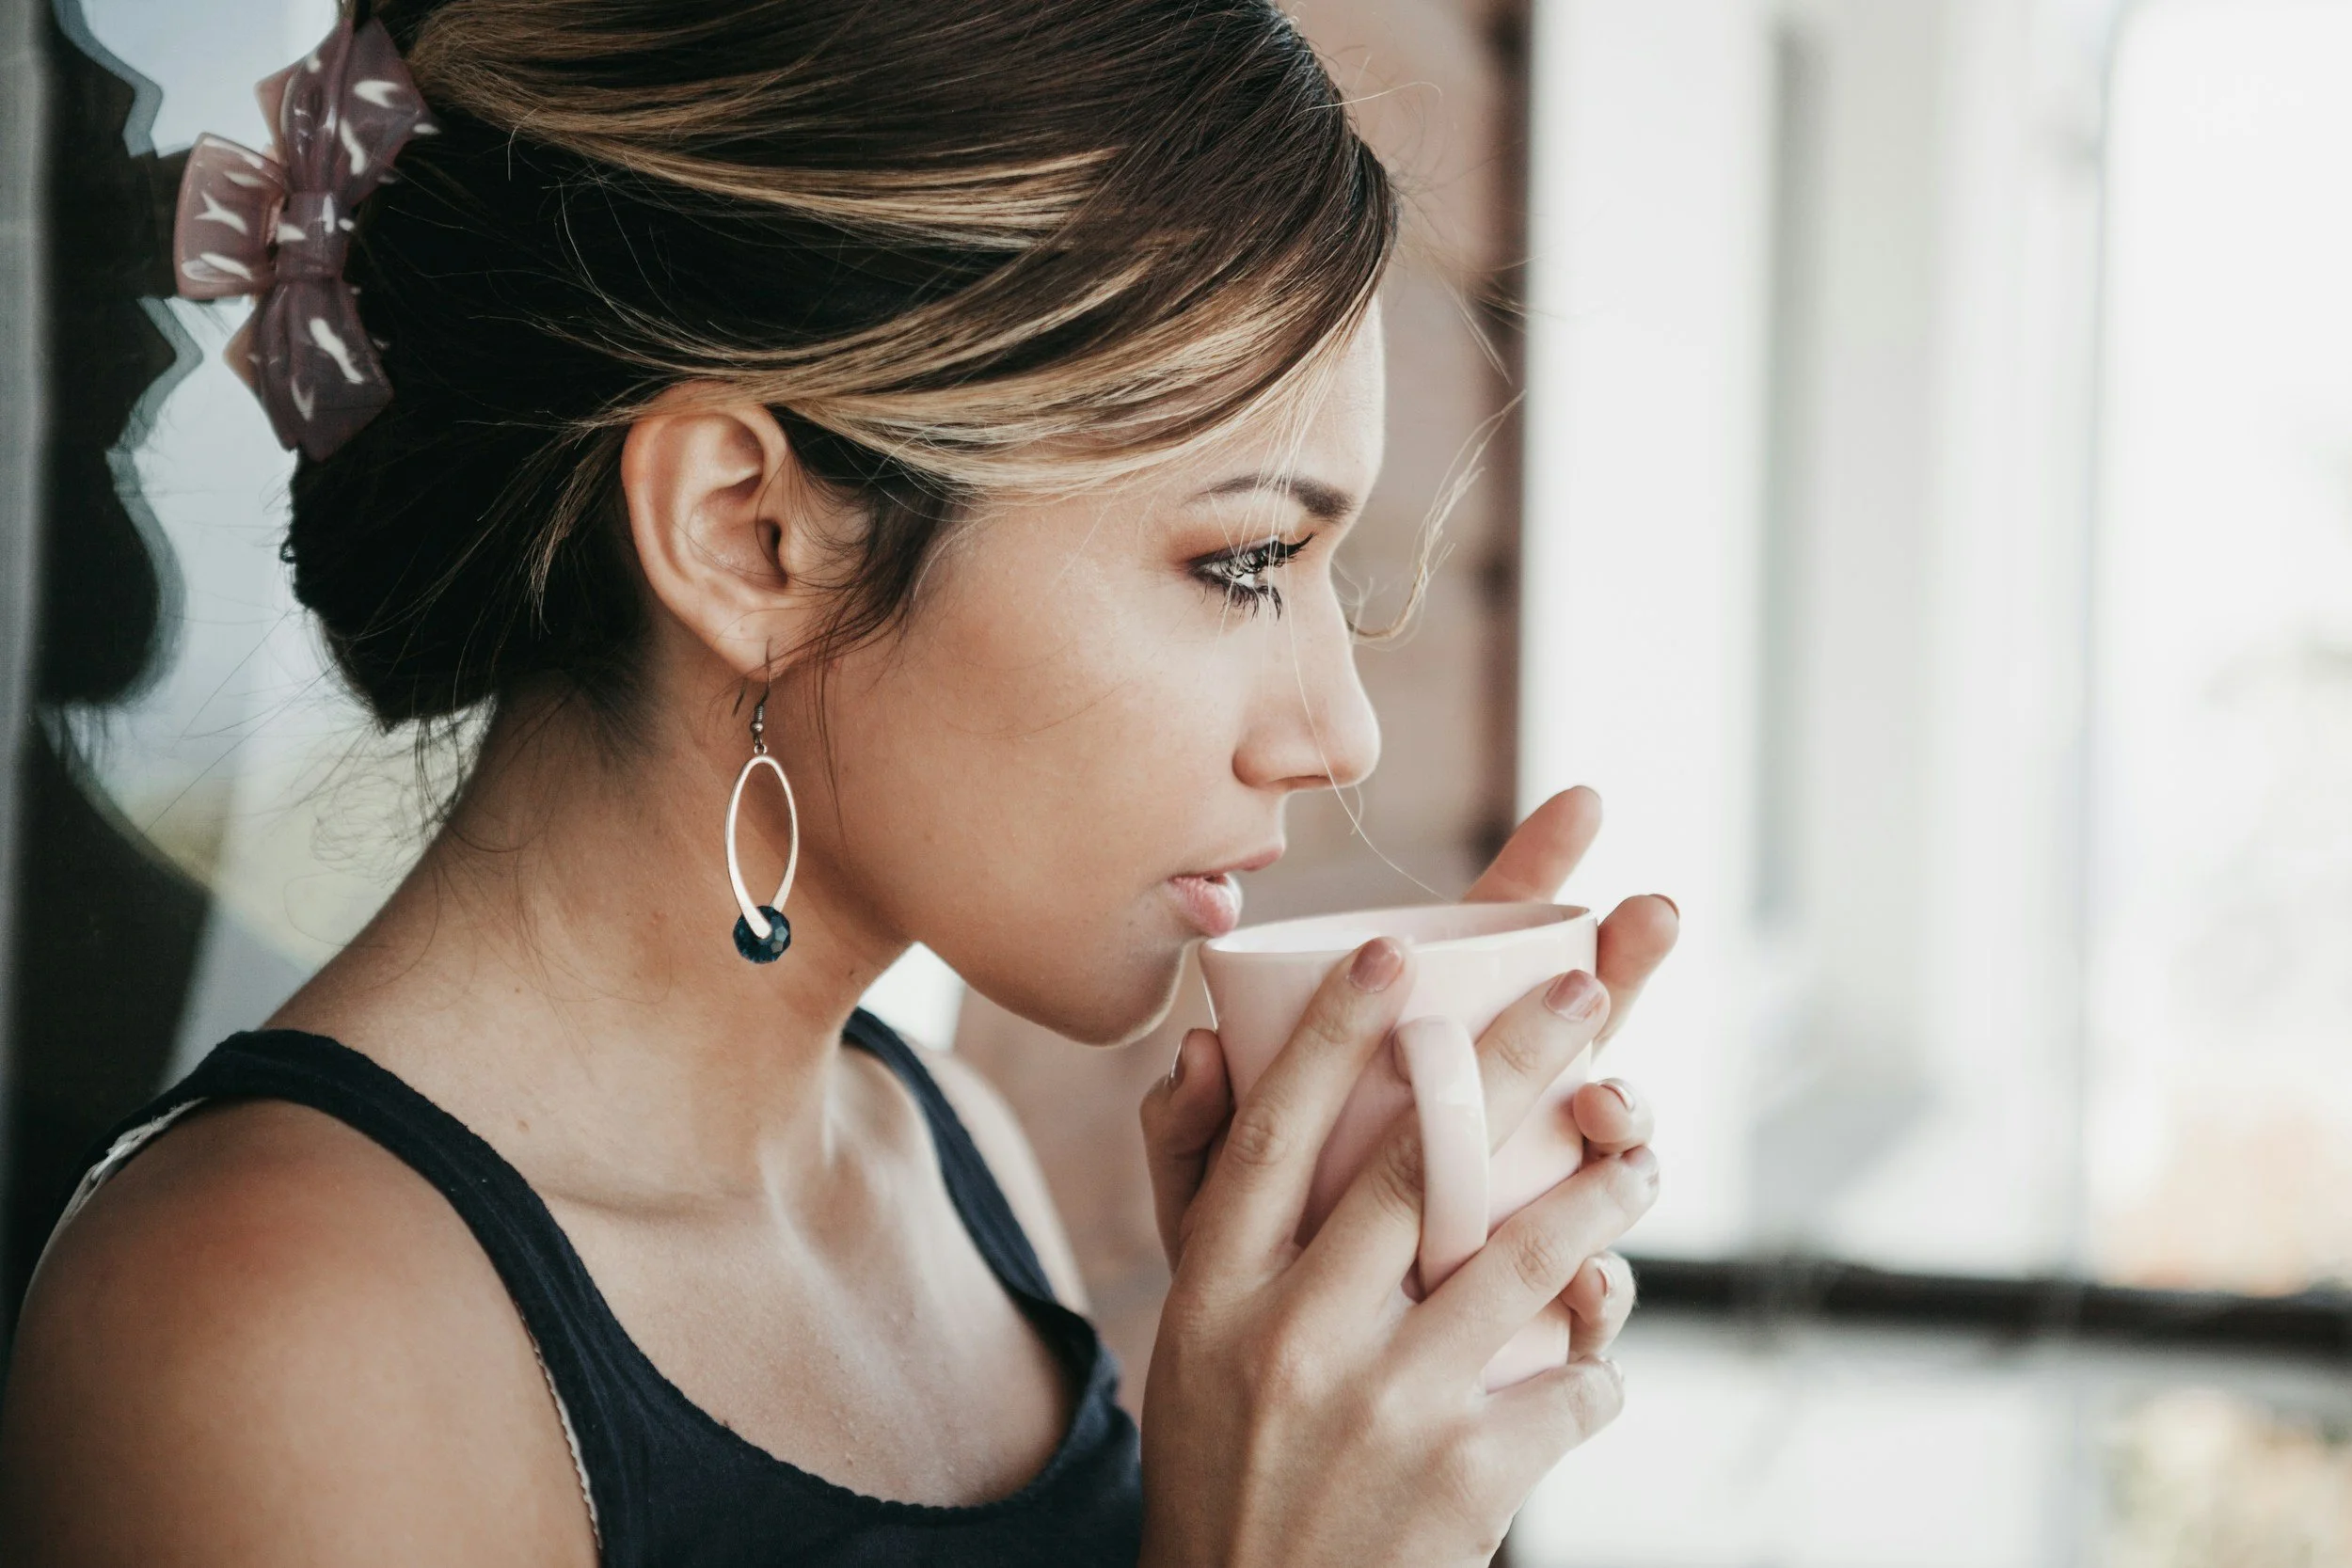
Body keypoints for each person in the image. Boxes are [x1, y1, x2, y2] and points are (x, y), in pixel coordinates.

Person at [0, 0, 1678, 1562]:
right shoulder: (277, 1331)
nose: (1341, 732)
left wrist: (1334, 1407)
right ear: (750, 532)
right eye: (1244, 562)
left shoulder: (944, 1154)